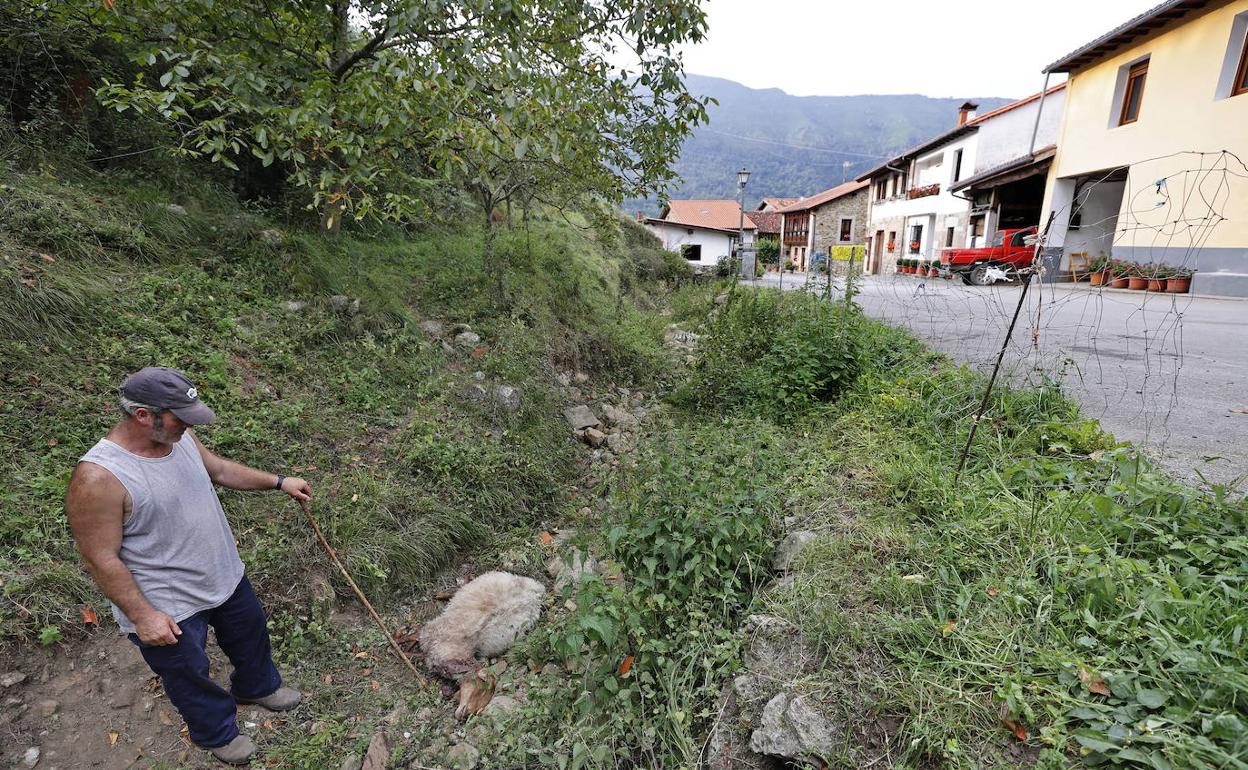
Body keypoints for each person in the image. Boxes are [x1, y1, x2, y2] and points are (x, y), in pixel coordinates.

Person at [65, 367, 312, 765]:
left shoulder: (178, 436)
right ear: (144, 415)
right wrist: (143, 615)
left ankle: (257, 686)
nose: (189, 424)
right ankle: (216, 732)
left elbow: (217, 470)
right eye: (181, 415)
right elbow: (100, 557)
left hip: (222, 573)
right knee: (189, 672)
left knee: (250, 635)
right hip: (167, 601)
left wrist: (278, 481)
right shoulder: (99, 478)